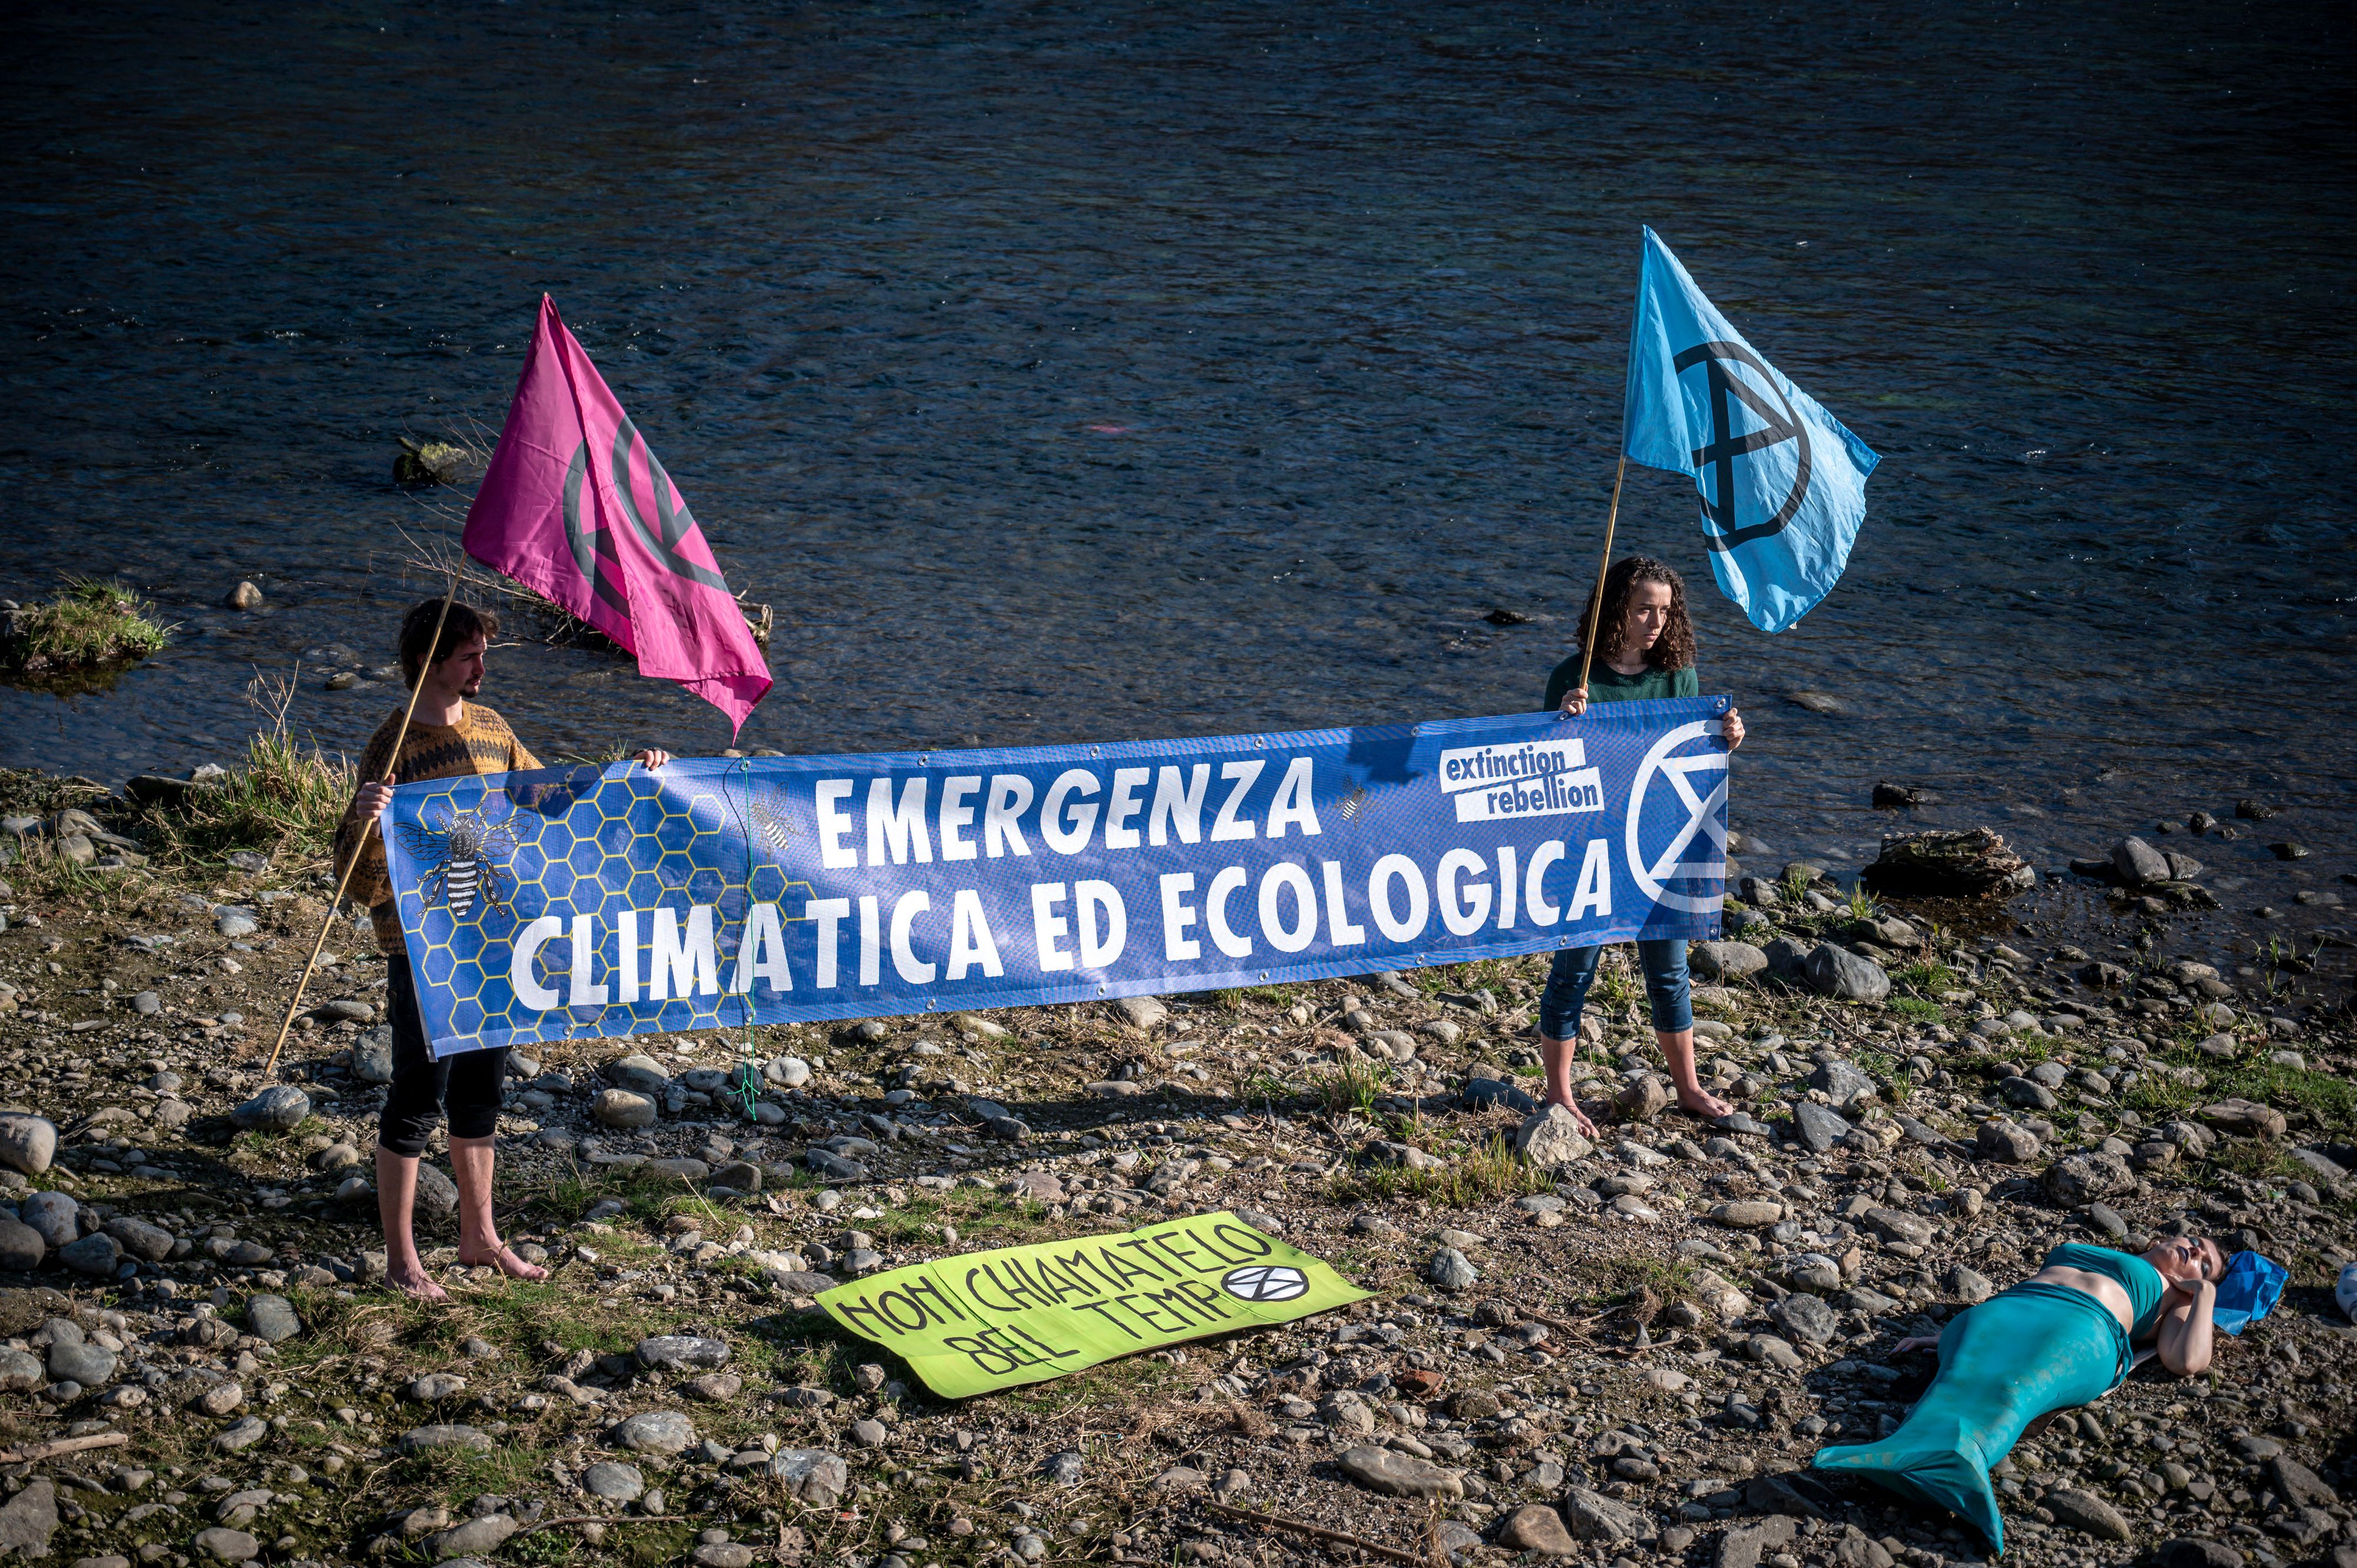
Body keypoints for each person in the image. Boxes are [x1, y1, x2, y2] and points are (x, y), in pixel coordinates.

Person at [336, 598, 671, 1302]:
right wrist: (369, 823)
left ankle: (479, 1240)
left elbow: (550, 797)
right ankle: (402, 1262)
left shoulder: (490, 729)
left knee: (481, 1097)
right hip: (427, 953)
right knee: (414, 1101)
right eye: (470, 657)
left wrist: (625, 773)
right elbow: (354, 885)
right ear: (431, 663)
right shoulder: (392, 746)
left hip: (493, 941)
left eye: (484, 654)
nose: (483, 667)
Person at [1814, 1234, 2225, 1552]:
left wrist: (2204, 1295)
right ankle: (1904, 1455)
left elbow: (2185, 1360)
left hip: (2084, 1327)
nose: (2195, 1252)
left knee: (2014, 1389)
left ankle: (1959, 1464)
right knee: (1959, 1373)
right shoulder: (2120, 1254)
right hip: (2012, 1307)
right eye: (2195, 1242)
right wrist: (1943, 1336)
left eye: (2206, 1264)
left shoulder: (2180, 1297)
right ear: (2164, 1238)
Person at [1536, 555, 1744, 1134]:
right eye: (1643, 609)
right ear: (1615, 611)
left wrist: (1727, 735)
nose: (1655, 621)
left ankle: (1689, 1088)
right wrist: (1561, 722)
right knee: (1574, 971)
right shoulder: (1573, 677)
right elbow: (1540, 770)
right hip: (1589, 845)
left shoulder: (1678, 676)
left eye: (1664, 611)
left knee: (1669, 973)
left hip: (1660, 843)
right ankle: (1559, 1096)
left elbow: (1688, 757)